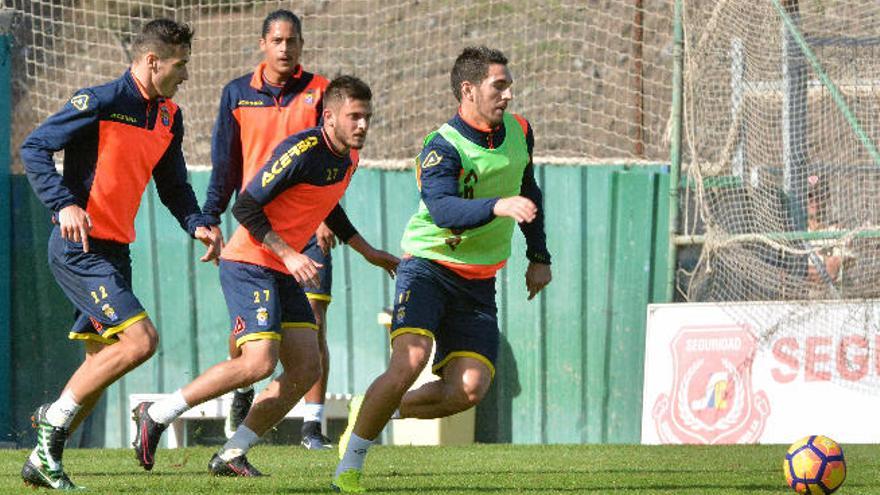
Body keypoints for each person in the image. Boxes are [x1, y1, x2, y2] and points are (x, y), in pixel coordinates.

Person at [133, 75, 399, 477]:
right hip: (249, 263)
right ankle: (156, 414)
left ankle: (231, 454)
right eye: (354, 117)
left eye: (367, 117)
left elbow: (327, 205)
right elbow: (246, 207)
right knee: (258, 362)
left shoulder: (349, 157)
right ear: (328, 117)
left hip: (280, 267)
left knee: (307, 367)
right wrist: (290, 254)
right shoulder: (303, 150)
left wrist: (369, 252)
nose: (362, 125)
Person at [332, 46, 552, 493]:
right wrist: (498, 206)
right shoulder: (442, 146)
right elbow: (443, 209)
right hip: (428, 268)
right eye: (499, 85)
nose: (508, 94)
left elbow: (529, 189)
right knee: (409, 360)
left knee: (468, 389)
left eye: (509, 84)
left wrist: (539, 257)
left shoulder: (521, 131)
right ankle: (349, 467)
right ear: (468, 90)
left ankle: (376, 407)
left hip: (479, 280)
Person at [18, 19, 220, 490]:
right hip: (78, 249)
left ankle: (39, 461)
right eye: (180, 65)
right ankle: (50, 423)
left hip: (115, 251)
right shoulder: (100, 101)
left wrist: (198, 223)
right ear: (152, 62)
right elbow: (35, 148)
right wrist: (64, 202)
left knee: (97, 368)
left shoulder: (170, 116)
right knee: (140, 341)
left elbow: (172, 184)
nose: (185, 75)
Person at [201, 8, 338, 450]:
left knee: (313, 322)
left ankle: (312, 426)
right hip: (255, 228)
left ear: (301, 44)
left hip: (306, 228)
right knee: (254, 336)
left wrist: (322, 219)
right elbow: (226, 165)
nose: (285, 48)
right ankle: (243, 387)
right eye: (277, 40)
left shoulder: (320, 92)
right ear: (263, 43)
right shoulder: (237, 94)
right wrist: (209, 218)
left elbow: (330, 160)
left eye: (292, 40)